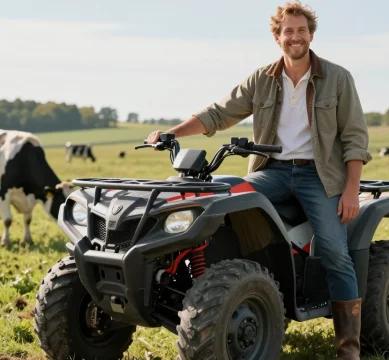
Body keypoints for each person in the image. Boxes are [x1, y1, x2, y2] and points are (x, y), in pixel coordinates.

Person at [147, 2, 371, 358]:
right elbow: (218, 114)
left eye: (301, 31)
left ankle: (348, 348)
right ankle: (252, 285)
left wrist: (351, 189)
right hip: (273, 171)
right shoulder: (261, 79)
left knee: (334, 250)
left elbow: (355, 137)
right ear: (277, 36)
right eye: (288, 31)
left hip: (320, 175)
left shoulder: (337, 78)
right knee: (224, 204)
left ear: (311, 35)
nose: (294, 37)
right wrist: (172, 133)